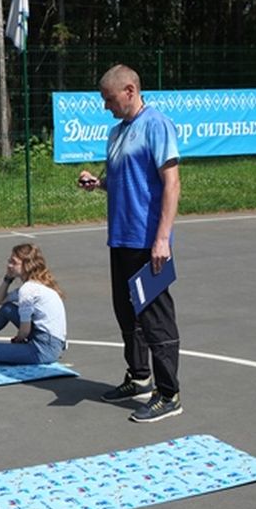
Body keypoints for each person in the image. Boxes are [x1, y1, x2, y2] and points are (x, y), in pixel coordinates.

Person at [78, 64, 183, 423]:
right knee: (126, 313)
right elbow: (124, 181)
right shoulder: (116, 133)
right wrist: (99, 183)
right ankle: (139, 376)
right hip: (120, 237)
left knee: (155, 317)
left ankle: (169, 394)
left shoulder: (156, 125)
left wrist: (162, 239)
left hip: (147, 239)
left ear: (129, 90)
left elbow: (171, 183)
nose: (106, 106)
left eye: (109, 99)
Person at [0, 243, 67, 364]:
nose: (9, 265)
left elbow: (25, 331)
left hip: (42, 350)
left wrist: (18, 340)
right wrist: (8, 279)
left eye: (14, 262)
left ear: (27, 265)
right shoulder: (35, 285)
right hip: (50, 342)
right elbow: (0, 300)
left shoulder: (27, 290)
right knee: (7, 308)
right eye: (9, 261)